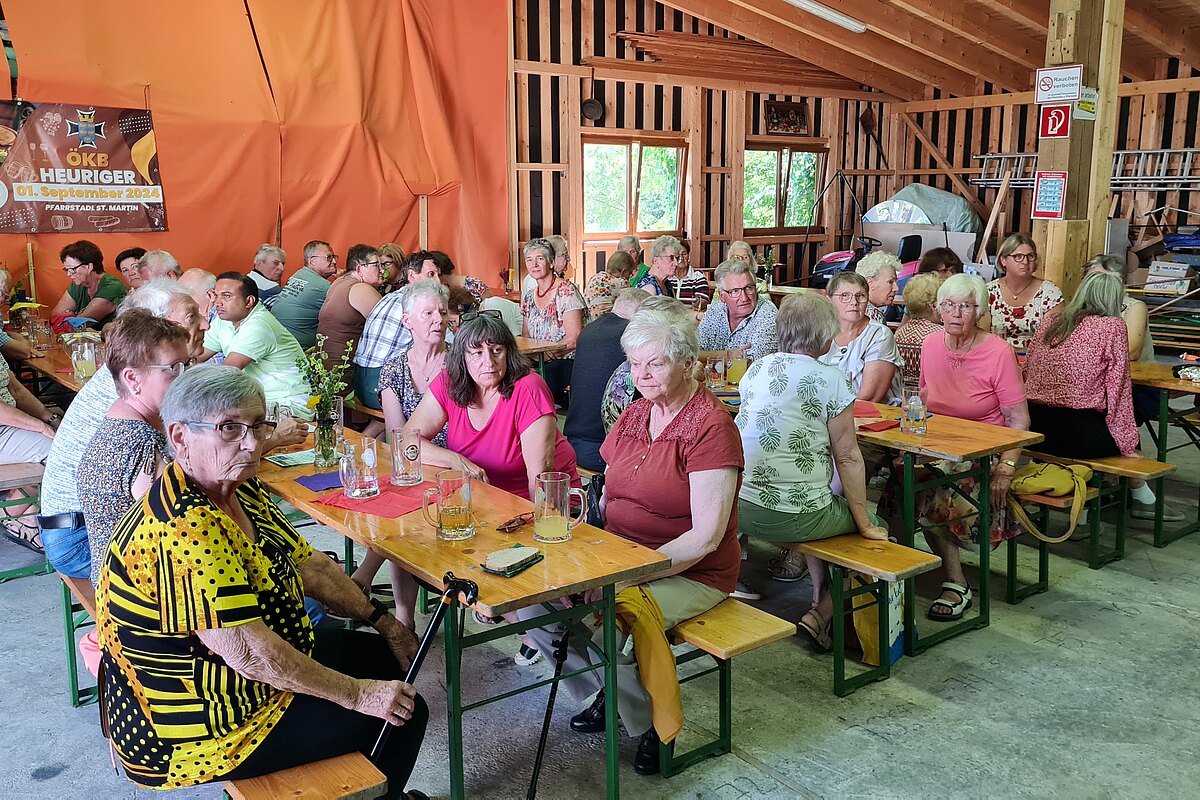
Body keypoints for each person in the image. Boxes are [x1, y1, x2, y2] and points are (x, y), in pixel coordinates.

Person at [96, 366, 428, 798]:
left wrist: (384, 622)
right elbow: (252, 654)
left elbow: (311, 567)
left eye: (257, 425)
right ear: (180, 437)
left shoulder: (236, 487)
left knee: (391, 661)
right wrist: (359, 695)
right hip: (197, 723)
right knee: (404, 714)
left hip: (245, 677)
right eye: (230, 428)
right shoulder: (183, 527)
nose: (252, 443)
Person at [517, 299, 742, 776]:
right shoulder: (636, 413)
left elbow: (706, 537)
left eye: (654, 364)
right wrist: (582, 558)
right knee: (532, 605)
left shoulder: (711, 427)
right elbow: (604, 496)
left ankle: (651, 726)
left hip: (691, 571)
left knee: (609, 625)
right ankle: (607, 693)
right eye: (635, 364)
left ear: (688, 363)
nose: (641, 375)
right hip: (619, 553)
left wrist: (623, 576)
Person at [736, 293, 888, 649]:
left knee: (818, 505)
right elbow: (847, 457)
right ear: (825, 336)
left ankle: (818, 596)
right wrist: (865, 524)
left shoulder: (757, 368)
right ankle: (823, 613)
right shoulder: (831, 379)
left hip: (740, 508)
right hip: (796, 517)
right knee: (874, 527)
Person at [916, 273, 1029, 621]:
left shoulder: (999, 352)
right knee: (900, 479)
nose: (956, 312)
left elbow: (1019, 420)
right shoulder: (930, 344)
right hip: (938, 444)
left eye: (966, 306)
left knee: (938, 485)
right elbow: (923, 403)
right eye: (949, 304)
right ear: (938, 309)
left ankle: (956, 583)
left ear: (979, 312)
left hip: (985, 452)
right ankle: (891, 573)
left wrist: (1006, 468)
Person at [355, 281, 451, 631]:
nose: (438, 319)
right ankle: (403, 616)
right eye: (428, 313)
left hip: (456, 463)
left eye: (442, 312)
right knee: (401, 501)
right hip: (414, 461)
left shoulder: (461, 364)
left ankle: (367, 583)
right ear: (407, 321)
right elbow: (398, 438)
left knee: (405, 506)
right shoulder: (394, 368)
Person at [404, 311, 580, 501]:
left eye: (497, 350)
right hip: (482, 499)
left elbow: (540, 485)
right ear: (462, 358)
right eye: (477, 353)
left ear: (508, 353)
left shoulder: (529, 389)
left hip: (537, 503)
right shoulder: (450, 382)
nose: (488, 362)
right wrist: (454, 460)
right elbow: (407, 440)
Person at [77, 311, 189, 586]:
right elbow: (180, 528)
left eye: (187, 365)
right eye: (173, 369)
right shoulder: (142, 443)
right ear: (133, 379)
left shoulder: (118, 419)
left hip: (115, 580)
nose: (185, 378)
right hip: (133, 593)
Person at [1023, 270, 1138, 458]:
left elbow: (1026, 371)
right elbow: (1119, 388)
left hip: (1034, 428)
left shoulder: (1051, 322)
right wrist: (1128, 445)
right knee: (1133, 435)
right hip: (1080, 434)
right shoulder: (1113, 326)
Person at [201, 272, 313, 418]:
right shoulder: (224, 321)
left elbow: (227, 372)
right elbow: (196, 355)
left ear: (249, 301)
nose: (217, 303)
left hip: (288, 406)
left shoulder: (259, 325)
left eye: (226, 296)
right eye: (216, 296)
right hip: (259, 403)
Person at [565, 288, 650, 471]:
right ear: (642, 313)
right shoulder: (632, 337)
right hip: (606, 449)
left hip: (574, 443)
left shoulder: (589, 330)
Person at [353, 252, 443, 410]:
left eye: (438, 275)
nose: (438, 281)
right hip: (379, 383)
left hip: (359, 381)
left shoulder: (390, 297)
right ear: (412, 276)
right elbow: (439, 343)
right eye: (431, 274)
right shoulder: (416, 304)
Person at [521, 237, 588, 408]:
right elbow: (526, 336)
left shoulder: (566, 291)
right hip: (538, 358)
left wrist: (546, 353)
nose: (534, 264)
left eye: (540, 258)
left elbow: (574, 339)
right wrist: (536, 355)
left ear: (551, 262)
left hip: (566, 359)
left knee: (534, 384)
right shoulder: (529, 296)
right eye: (529, 260)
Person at [819, 271, 903, 405]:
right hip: (825, 410)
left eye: (860, 296)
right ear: (829, 300)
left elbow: (870, 397)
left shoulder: (879, 334)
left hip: (871, 412)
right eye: (844, 296)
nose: (854, 302)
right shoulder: (820, 331)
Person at [987, 233, 1063, 350]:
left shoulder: (1050, 293)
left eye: (1030, 256)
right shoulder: (989, 291)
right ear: (1003, 260)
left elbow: (1052, 339)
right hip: (996, 355)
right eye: (1018, 256)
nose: (1026, 262)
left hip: (1037, 357)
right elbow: (981, 336)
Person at [697, 260, 778, 362]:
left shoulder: (769, 316)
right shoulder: (716, 309)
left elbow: (753, 365)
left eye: (749, 288)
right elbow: (693, 353)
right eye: (735, 291)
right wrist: (727, 355)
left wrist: (709, 357)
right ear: (722, 296)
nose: (744, 298)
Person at [318, 244, 383, 366]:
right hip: (344, 369)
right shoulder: (362, 289)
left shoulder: (338, 281)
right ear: (359, 269)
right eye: (376, 265)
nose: (382, 270)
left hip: (322, 364)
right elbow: (389, 328)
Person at [273, 240, 339, 349]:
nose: (334, 261)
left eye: (334, 257)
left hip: (277, 341)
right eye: (329, 257)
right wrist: (343, 281)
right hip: (298, 350)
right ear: (312, 261)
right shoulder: (323, 287)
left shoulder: (298, 275)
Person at [53, 240, 127, 327]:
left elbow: (80, 324)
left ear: (89, 267)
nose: (69, 274)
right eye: (66, 270)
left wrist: (70, 315)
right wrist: (73, 317)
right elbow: (54, 318)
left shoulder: (112, 287)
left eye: (73, 269)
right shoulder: (79, 283)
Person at [894, 272, 943, 395]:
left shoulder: (898, 334)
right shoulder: (941, 336)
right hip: (932, 399)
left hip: (903, 398)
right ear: (934, 306)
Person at [585, 251, 636, 316]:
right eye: (630, 273)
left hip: (591, 321)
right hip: (610, 320)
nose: (630, 276)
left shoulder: (594, 278)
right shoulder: (622, 283)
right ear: (623, 272)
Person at [855, 251, 900, 324]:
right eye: (890, 282)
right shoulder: (874, 316)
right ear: (870, 283)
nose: (896, 288)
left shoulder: (849, 308)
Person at [664, 240, 710, 307]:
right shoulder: (667, 276)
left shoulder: (697, 275)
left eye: (684, 254)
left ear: (688, 256)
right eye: (677, 255)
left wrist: (698, 303)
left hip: (691, 313)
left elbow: (703, 300)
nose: (681, 258)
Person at [246, 243, 287, 308]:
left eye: (283, 264)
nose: (281, 268)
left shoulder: (245, 280)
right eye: (275, 263)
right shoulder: (271, 288)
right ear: (259, 262)